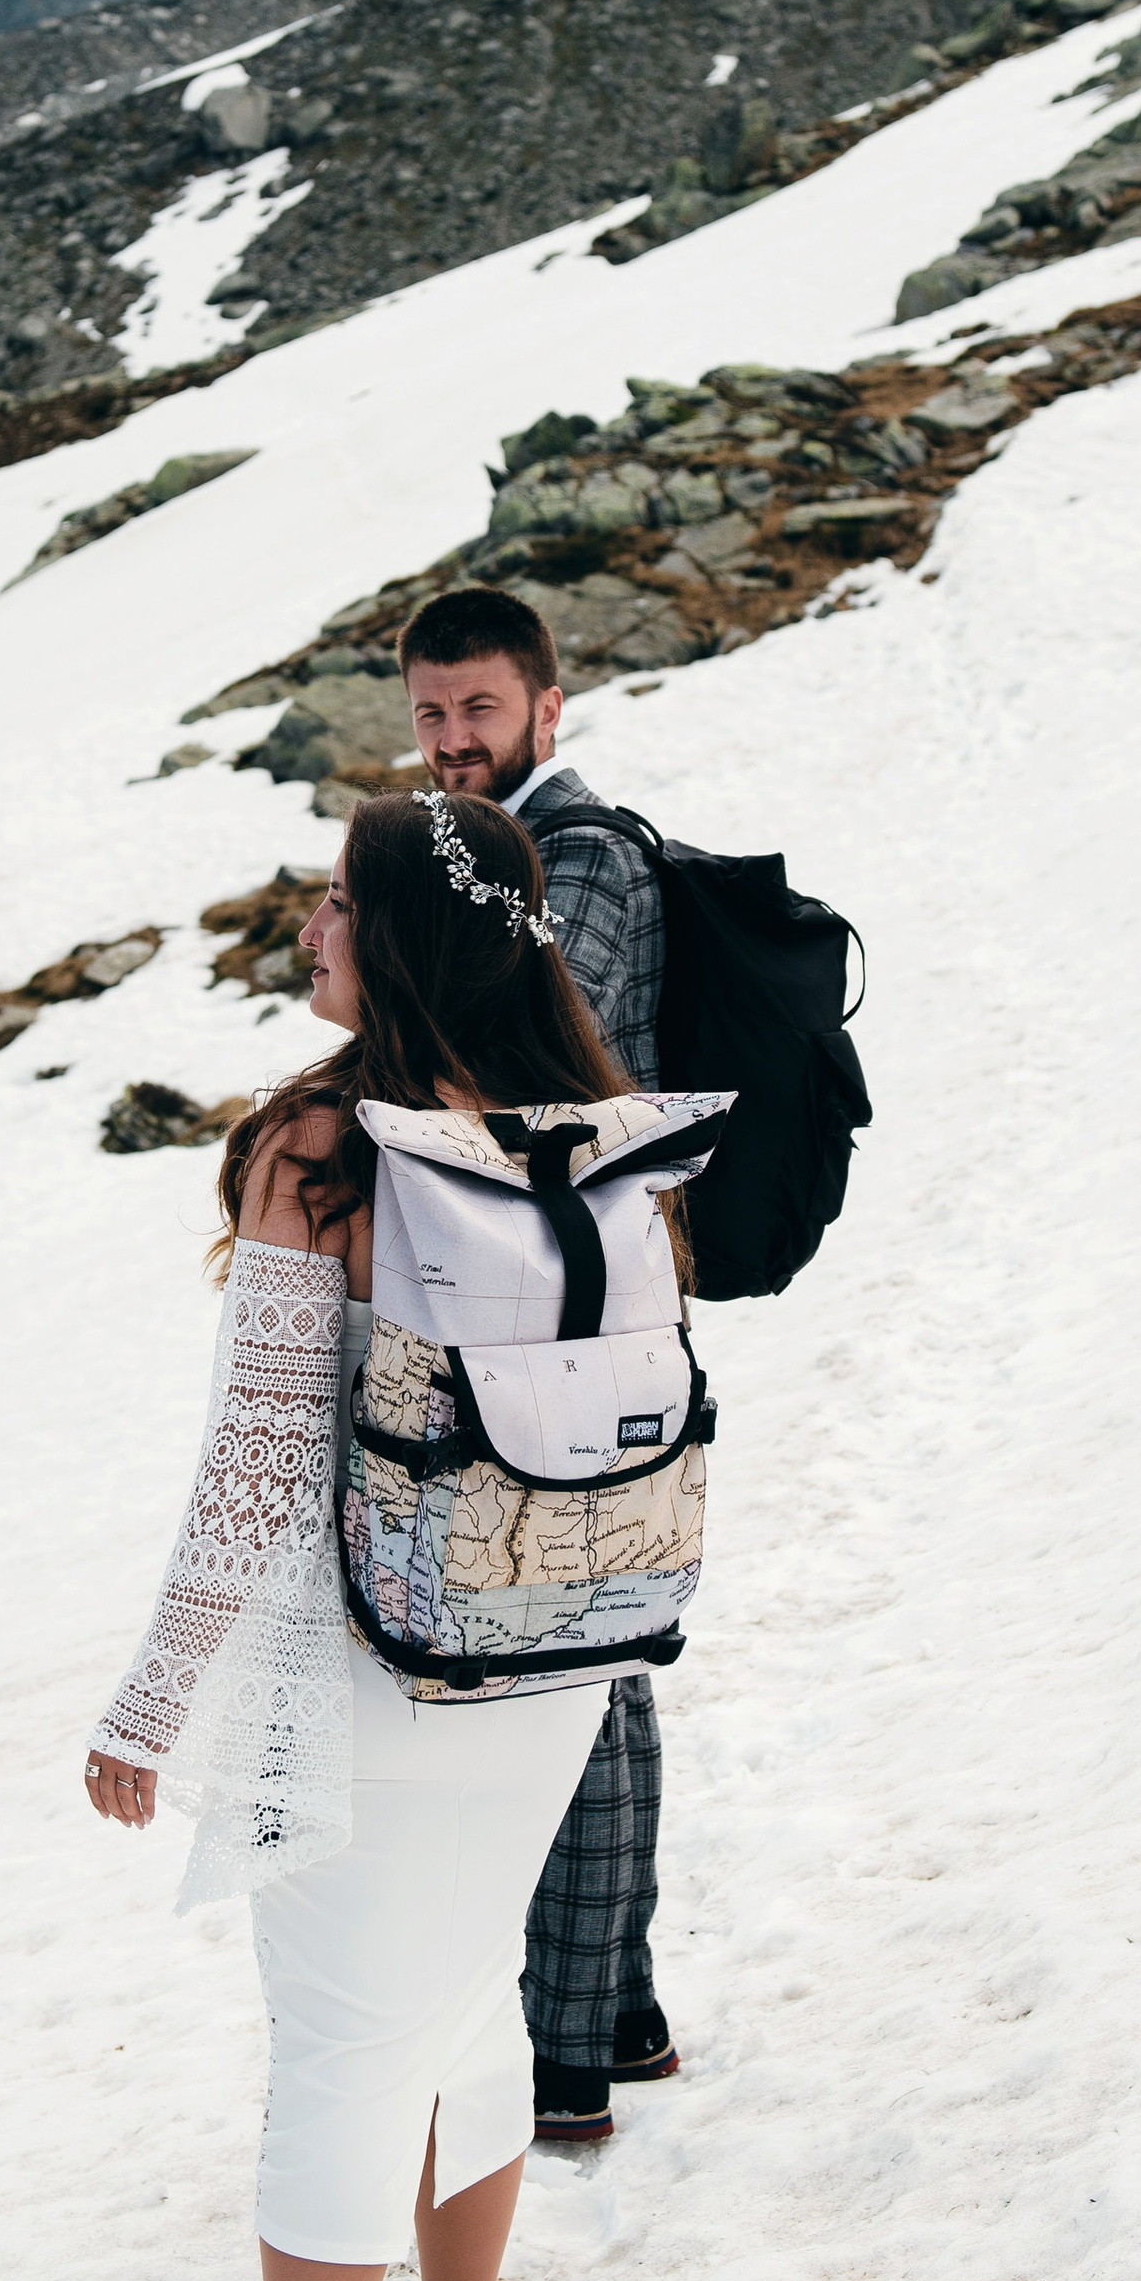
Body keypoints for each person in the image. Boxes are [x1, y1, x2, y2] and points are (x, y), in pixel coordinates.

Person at [83, 789, 665, 2281]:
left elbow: (258, 1467)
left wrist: (147, 1704)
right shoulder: (598, 1135)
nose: (312, 926)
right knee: (467, 1987)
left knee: (340, 2047)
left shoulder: (328, 1151)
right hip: (560, 1644)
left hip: (376, 1662)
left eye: (339, 903)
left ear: (399, 937)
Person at [398, 585, 675, 2152]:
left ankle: (567, 2048)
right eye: (432, 717)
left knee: (581, 1659)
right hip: (562, 1306)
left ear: (546, 709)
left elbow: (528, 1068)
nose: (451, 747)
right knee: (595, 1645)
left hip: (577, 1318)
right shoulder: (491, 850)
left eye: (479, 714)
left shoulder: (576, 856)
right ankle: (613, 2013)